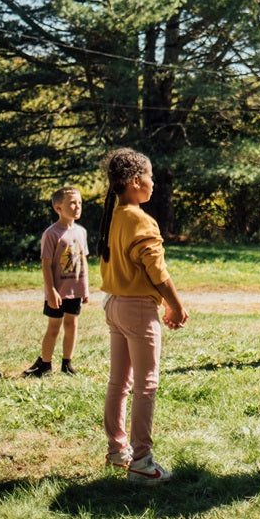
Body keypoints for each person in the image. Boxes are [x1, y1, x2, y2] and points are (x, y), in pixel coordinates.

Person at [98, 148, 188, 484]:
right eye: (149, 177)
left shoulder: (116, 215)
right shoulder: (141, 220)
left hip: (113, 306)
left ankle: (116, 450)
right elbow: (157, 271)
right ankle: (142, 462)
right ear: (136, 181)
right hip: (137, 309)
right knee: (145, 385)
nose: (153, 183)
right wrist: (175, 305)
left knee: (118, 382)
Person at [23, 185, 89, 377]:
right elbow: (46, 265)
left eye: (79, 203)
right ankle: (45, 364)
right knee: (54, 327)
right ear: (58, 208)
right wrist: (51, 291)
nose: (77, 207)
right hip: (57, 291)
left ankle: (67, 364)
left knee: (72, 325)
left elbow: (82, 261)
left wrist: (84, 289)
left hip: (74, 290)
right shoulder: (51, 234)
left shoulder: (81, 232)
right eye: (72, 203)